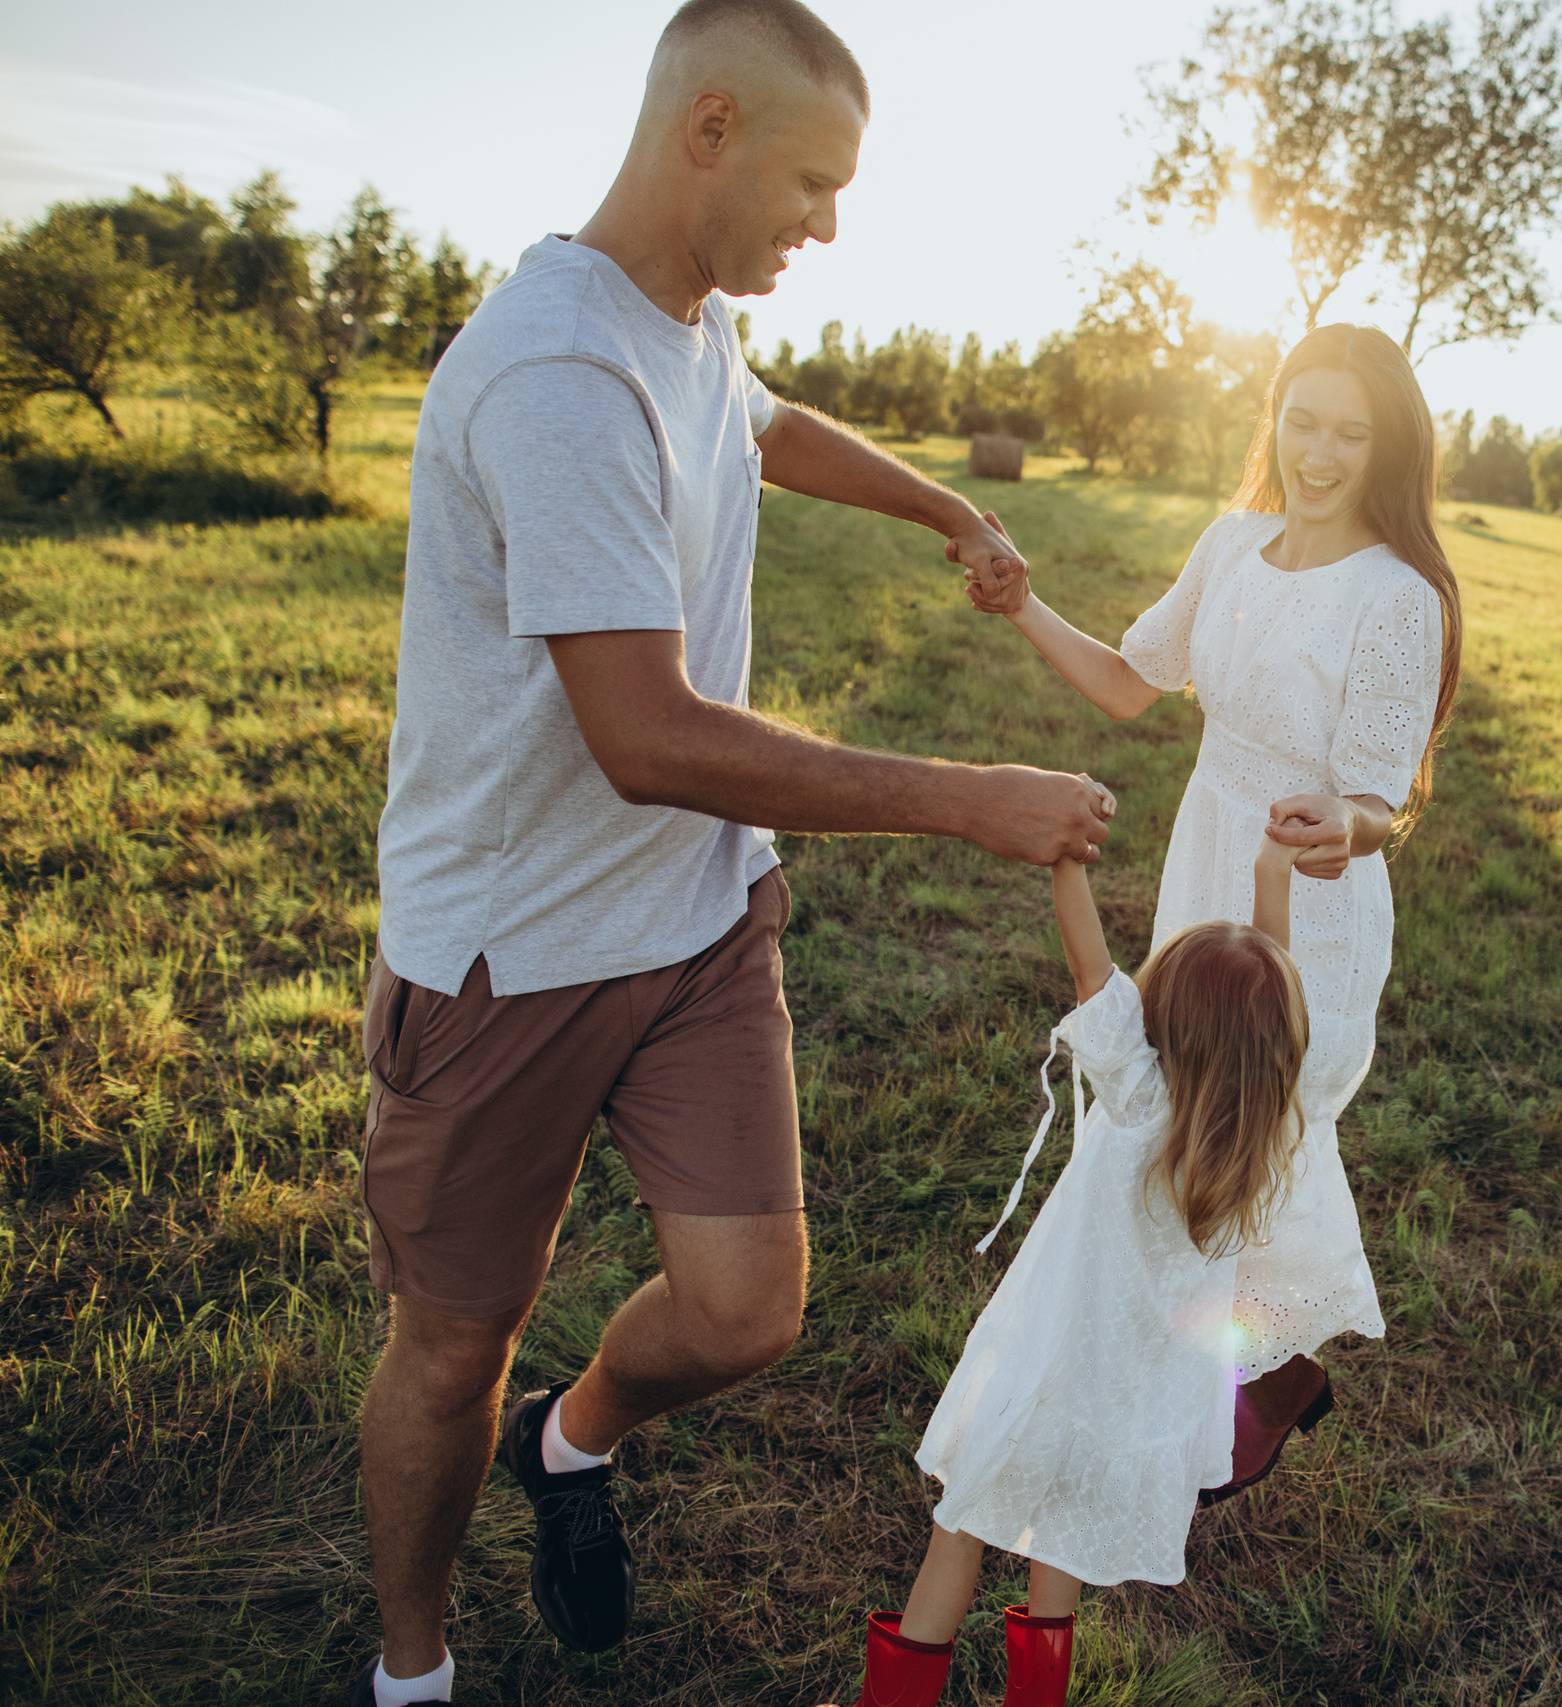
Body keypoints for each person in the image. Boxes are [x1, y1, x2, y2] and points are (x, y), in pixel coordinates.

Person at [347, 4, 1116, 1704]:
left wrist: (942, 508)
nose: (828, 226)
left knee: (751, 1304)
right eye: (813, 182)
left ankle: (577, 1435)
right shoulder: (557, 366)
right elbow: (647, 735)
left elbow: (761, 425)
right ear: (708, 127)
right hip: (507, 954)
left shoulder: (684, 319)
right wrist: (961, 793)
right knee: (450, 1340)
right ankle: (413, 1665)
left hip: (695, 917)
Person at [964, 323, 1465, 1489]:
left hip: (1311, 894)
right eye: (1303, 420)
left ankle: (1251, 1372)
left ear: (1386, 447)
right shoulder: (1231, 546)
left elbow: (1376, 803)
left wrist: (1344, 829)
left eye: (1351, 432)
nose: (1320, 453)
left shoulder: (1398, 598)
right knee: (1176, 1110)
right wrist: (1026, 606)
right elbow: (1129, 686)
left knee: (1260, 1131)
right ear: (1273, 415)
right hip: (1203, 868)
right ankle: (1231, 1377)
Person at [834, 827, 1314, 1707]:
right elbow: (1267, 988)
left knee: (961, 1531)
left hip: (1048, 1376)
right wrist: (1269, 875)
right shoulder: (1260, 1134)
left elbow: (1092, 970)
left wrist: (1063, 854)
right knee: (1057, 1563)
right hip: (1131, 1414)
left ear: (1163, 1017)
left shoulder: (1138, 1098)